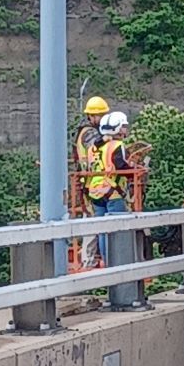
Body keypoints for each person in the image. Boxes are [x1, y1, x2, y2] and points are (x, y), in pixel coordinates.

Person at [87, 111, 133, 263]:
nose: (125, 129)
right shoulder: (117, 145)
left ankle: (107, 261)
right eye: (123, 126)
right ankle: (118, 262)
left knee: (102, 230)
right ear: (117, 128)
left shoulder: (94, 147)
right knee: (117, 228)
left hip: (95, 191)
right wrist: (134, 170)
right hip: (112, 191)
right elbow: (120, 166)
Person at [73, 95, 109, 269]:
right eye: (100, 115)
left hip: (91, 180)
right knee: (92, 219)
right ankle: (88, 260)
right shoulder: (88, 132)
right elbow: (96, 146)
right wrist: (110, 138)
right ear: (91, 116)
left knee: (93, 218)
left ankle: (90, 258)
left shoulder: (88, 130)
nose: (102, 118)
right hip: (89, 180)